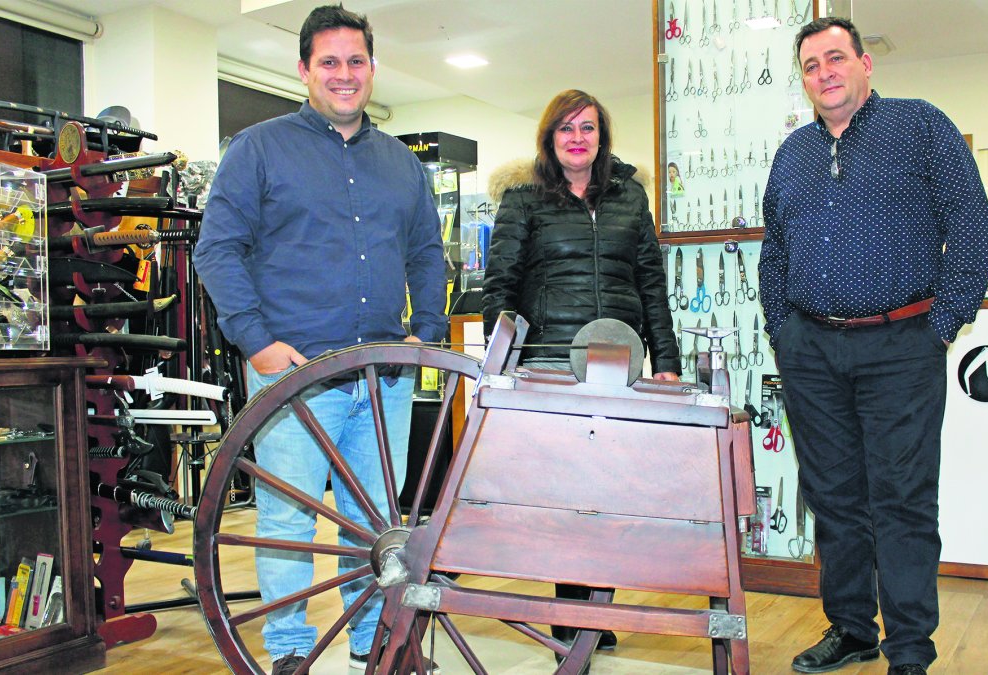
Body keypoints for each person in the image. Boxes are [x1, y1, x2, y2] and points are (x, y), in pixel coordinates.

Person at [194, 5, 446, 674]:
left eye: (355, 61)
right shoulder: (257, 149)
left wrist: (425, 336)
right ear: (304, 68)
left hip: (383, 374)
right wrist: (255, 341)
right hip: (292, 374)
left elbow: (426, 253)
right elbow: (216, 249)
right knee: (287, 522)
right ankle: (290, 650)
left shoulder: (402, 165)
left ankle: (371, 639)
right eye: (329, 62)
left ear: (372, 68)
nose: (344, 74)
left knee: (375, 526)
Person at [758, 17, 988, 675]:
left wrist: (942, 324)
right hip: (812, 350)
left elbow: (972, 226)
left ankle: (911, 649)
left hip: (902, 343)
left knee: (902, 497)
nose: (825, 73)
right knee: (833, 494)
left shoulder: (920, 127)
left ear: (865, 63)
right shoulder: (794, 153)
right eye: (811, 65)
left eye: (836, 58)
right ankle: (852, 628)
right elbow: (775, 250)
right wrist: (785, 331)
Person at [480, 89, 682, 664]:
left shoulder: (630, 198)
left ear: (601, 137)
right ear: (549, 137)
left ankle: (596, 608)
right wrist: (507, 364)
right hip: (547, 363)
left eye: (588, 128)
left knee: (610, 494)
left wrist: (665, 361)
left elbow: (652, 287)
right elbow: (501, 289)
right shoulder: (522, 200)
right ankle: (571, 615)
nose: (577, 138)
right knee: (561, 496)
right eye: (566, 128)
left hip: (619, 365)